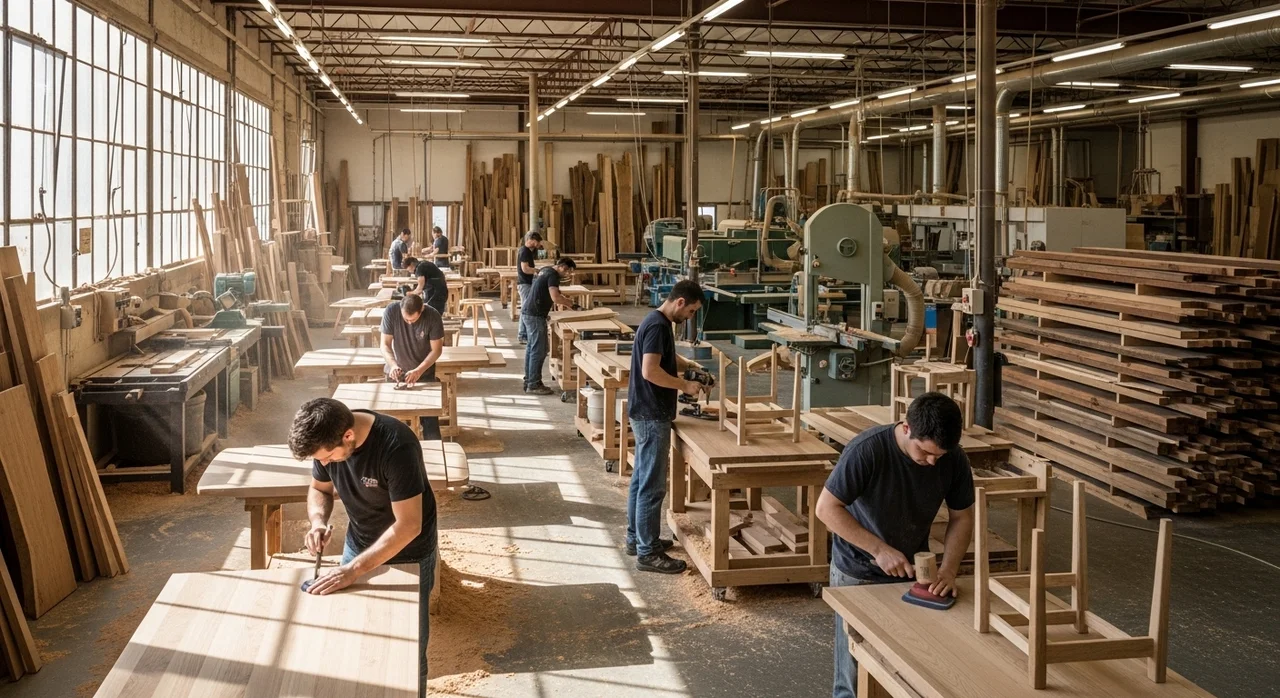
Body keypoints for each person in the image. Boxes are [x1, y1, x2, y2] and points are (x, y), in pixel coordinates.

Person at [816, 392, 974, 698]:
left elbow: (962, 518)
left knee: (907, 662)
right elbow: (826, 509)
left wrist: (949, 569)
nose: (931, 462)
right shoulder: (867, 450)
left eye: (938, 456)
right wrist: (878, 549)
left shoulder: (953, 458)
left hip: (912, 573)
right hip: (858, 569)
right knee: (853, 672)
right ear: (905, 428)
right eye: (925, 452)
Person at [290, 397, 437, 698]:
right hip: (358, 542)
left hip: (408, 550)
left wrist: (353, 569)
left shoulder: (397, 446)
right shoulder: (326, 440)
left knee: (408, 649)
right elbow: (319, 488)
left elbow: (408, 525)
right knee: (351, 636)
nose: (326, 463)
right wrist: (318, 520)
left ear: (348, 436)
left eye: (329, 457)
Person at [625, 280, 707, 574]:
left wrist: (688, 367)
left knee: (640, 481)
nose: (690, 318)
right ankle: (647, 553)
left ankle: (637, 539)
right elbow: (650, 371)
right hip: (651, 414)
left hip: (644, 410)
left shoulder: (654, 319)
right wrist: (685, 385)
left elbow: (662, 359)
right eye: (691, 311)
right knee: (652, 486)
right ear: (680, 302)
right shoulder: (659, 326)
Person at [379, 293, 445, 439]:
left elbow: (437, 350)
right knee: (390, 423)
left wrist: (419, 370)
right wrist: (393, 365)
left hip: (423, 374)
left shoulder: (432, 316)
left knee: (430, 422)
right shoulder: (391, 311)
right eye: (405, 319)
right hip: (396, 374)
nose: (409, 323)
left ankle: (435, 456)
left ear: (421, 310)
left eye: (413, 319)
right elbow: (384, 344)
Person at [520, 256, 576, 395]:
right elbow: (555, 297)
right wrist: (571, 304)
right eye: (568, 271)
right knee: (539, 350)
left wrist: (563, 298)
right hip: (535, 315)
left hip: (530, 312)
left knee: (532, 348)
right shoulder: (553, 275)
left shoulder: (545, 270)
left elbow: (547, 291)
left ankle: (529, 380)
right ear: (562, 267)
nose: (568, 275)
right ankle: (533, 384)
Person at [515, 232, 543, 344]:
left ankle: (524, 334)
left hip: (527, 283)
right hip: (524, 284)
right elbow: (525, 269)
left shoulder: (528, 252)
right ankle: (522, 335)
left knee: (526, 308)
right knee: (526, 309)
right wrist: (537, 271)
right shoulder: (524, 251)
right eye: (537, 242)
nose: (538, 244)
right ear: (531, 239)